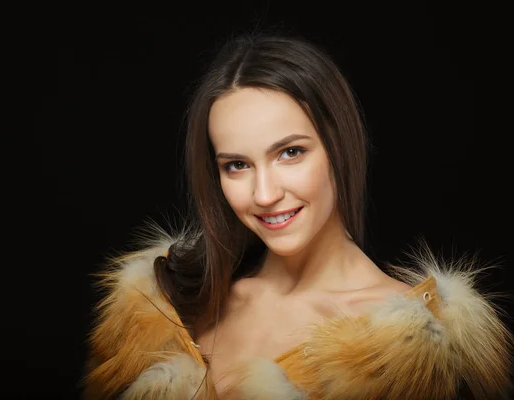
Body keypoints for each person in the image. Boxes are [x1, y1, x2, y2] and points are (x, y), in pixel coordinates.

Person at [82, 32, 512, 399]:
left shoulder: (414, 354)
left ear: (339, 146)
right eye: (237, 165)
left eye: (291, 153)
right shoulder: (166, 304)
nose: (264, 194)